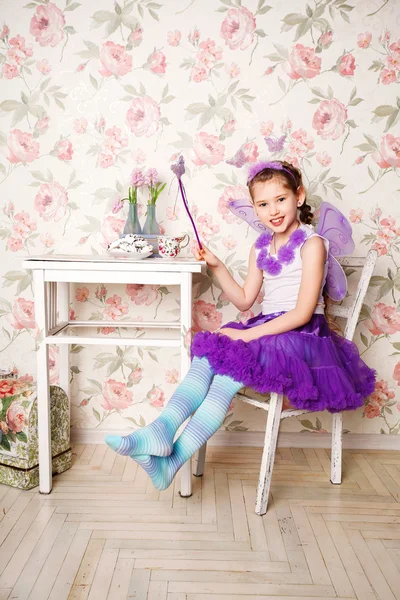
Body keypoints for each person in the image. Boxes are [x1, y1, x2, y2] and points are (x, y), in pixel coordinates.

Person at [105, 160, 376, 491]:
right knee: (209, 357)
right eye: (263, 204)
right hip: (270, 327)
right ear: (255, 209)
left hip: (302, 337)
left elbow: (303, 313)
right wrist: (217, 267)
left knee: (229, 366)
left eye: (280, 199)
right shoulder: (261, 247)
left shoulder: (312, 243)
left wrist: (246, 333)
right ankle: (163, 434)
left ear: (299, 196)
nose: (273, 210)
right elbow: (246, 300)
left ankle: (172, 455)